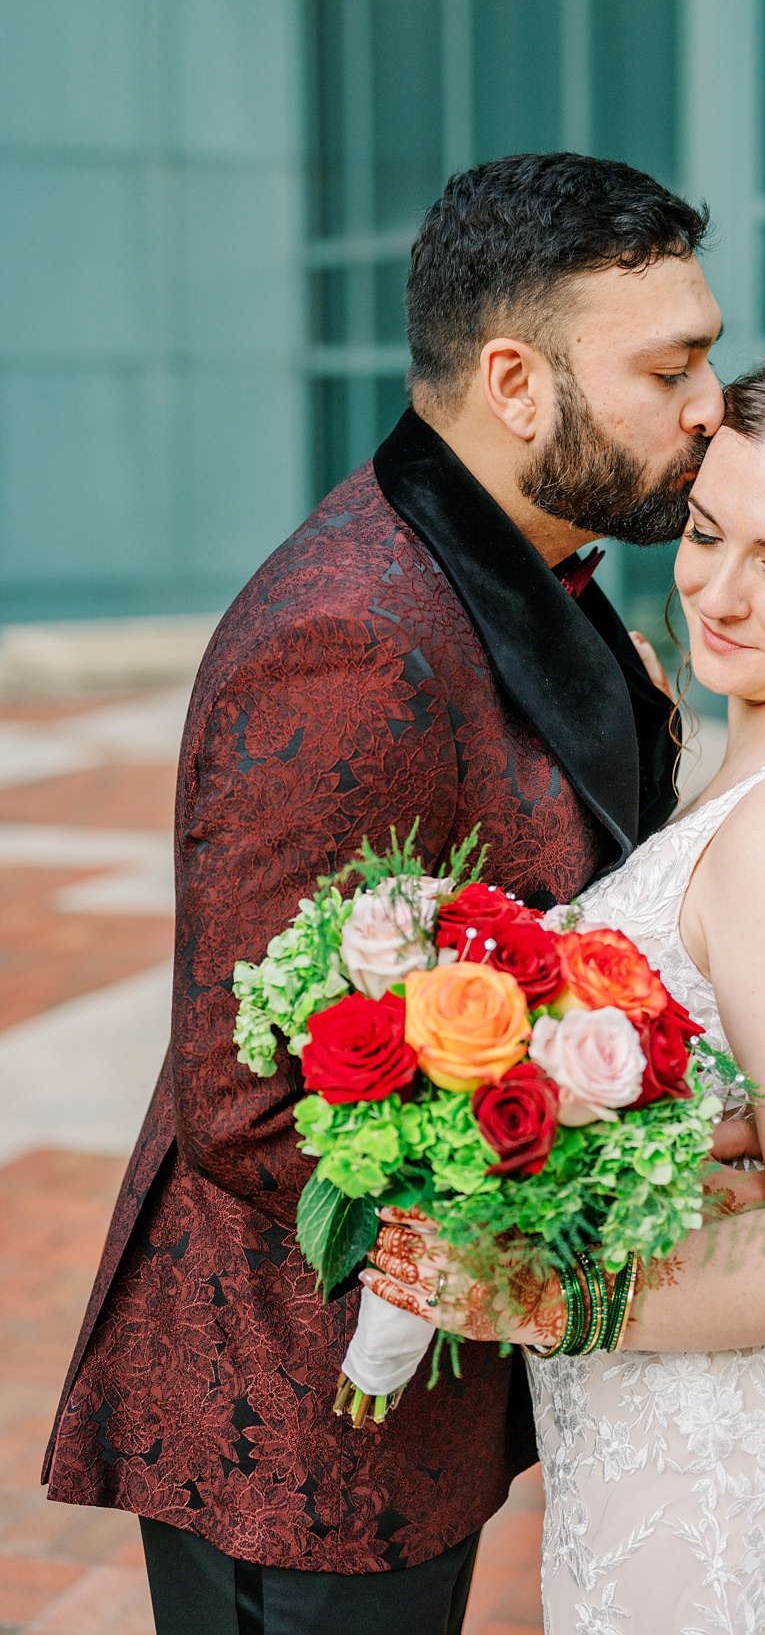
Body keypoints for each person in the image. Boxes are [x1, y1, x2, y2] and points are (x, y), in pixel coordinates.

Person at [46, 154, 725, 1633]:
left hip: (421, 1396)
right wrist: (561, 1207)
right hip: (297, 1430)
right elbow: (249, 1096)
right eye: (670, 367)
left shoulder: (538, 567)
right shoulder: (353, 634)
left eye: (709, 357)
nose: (709, 405)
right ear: (516, 382)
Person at [363, 344, 765, 1632]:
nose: (715, 590)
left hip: (723, 1454)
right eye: (707, 532)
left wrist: (542, 1285)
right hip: (717, 1408)